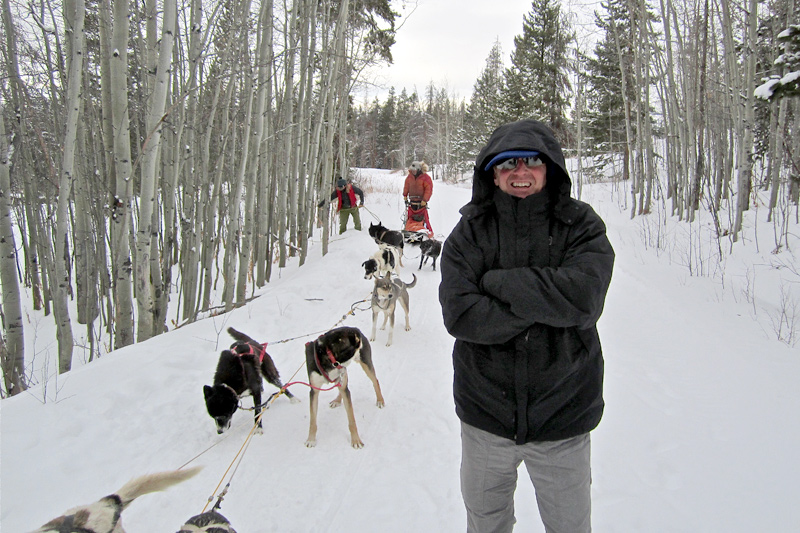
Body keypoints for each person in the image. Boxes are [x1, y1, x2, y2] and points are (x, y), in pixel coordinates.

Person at [438, 119, 614, 533]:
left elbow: (584, 299)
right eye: (507, 163)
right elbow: (461, 315)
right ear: (492, 174)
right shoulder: (469, 233)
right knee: (485, 523)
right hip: (485, 416)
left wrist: (497, 283)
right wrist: (547, 301)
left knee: (569, 526)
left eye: (531, 161)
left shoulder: (581, 226)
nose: (520, 172)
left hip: (563, 414)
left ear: (549, 167)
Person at [403, 161, 434, 235]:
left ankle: (422, 230)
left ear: (419, 170)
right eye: (412, 170)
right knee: (411, 217)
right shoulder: (409, 177)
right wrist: (405, 195)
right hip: (412, 201)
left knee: (421, 217)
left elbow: (428, 189)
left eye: (415, 170)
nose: (413, 171)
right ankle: (409, 229)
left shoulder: (425, 177)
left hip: (421, 202)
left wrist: (425, 200)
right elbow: (406, 186)